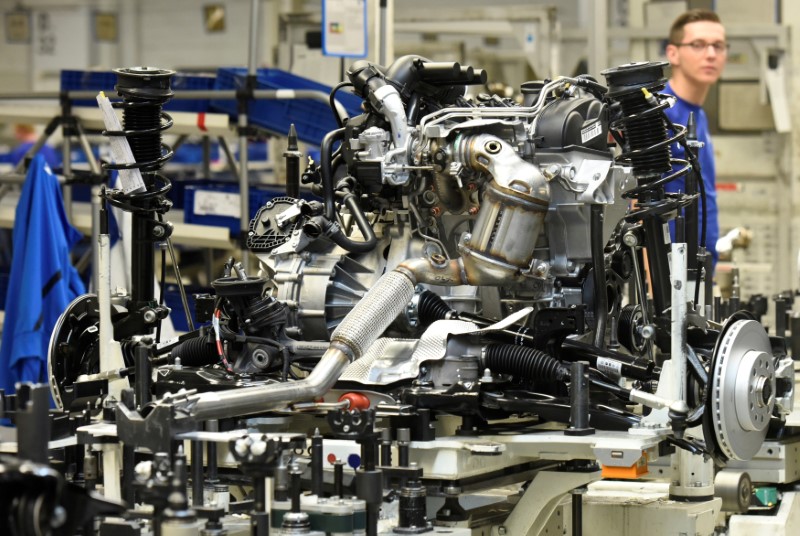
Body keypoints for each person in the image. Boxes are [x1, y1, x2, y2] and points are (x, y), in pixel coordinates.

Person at [663, 9, 727, 266]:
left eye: (718, 46)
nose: (711, 54)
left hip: (699, 263)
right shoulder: (663, 113)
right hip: (669, 272)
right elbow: (639, 205)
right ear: (673, 53)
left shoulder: (698, 115)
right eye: (698, 45)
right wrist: (652, 286)